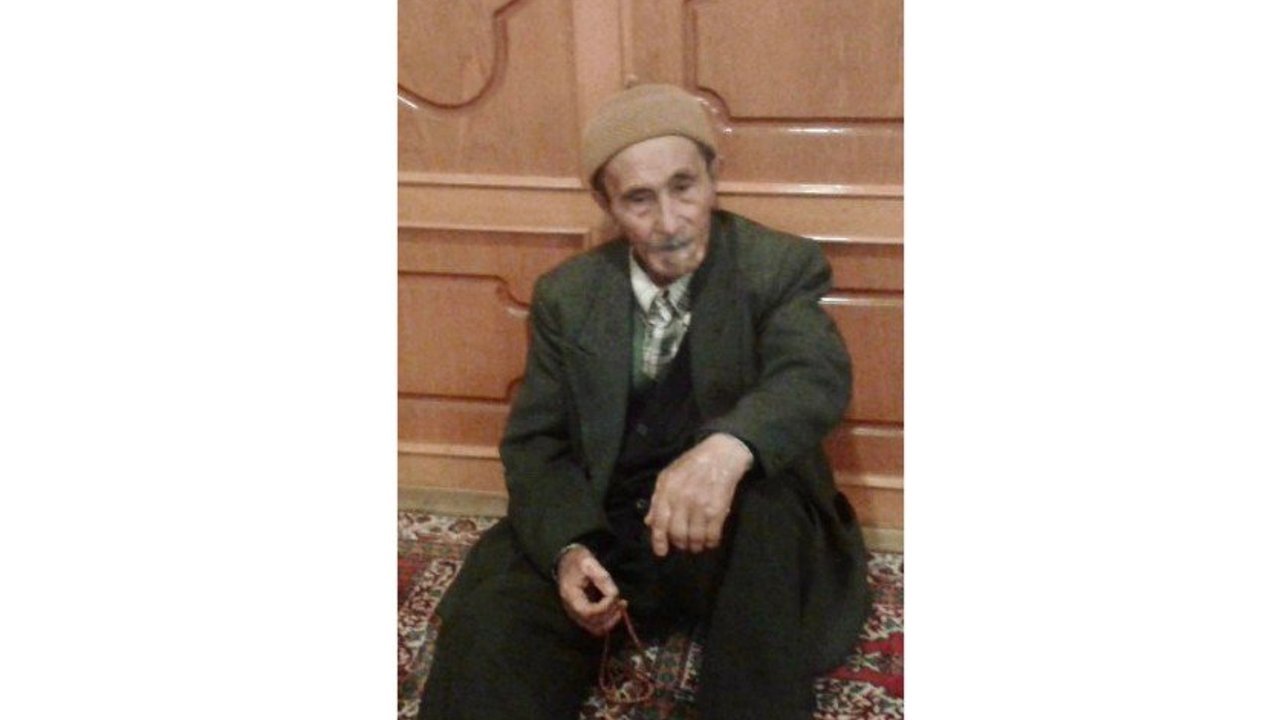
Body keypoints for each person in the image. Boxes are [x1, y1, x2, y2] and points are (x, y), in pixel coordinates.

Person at [417, 83, 872, 720]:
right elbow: (537, 444)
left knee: (770, 536)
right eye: (639, 199)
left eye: (684, 187)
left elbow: (814, 373)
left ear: (714, 176)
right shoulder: (567, 296)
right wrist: (568, 550)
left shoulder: (776, 265)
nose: (670, 221)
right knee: (494, 624)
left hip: (736, 524)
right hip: (611, 518)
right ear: (608, 205)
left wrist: (728, 449)